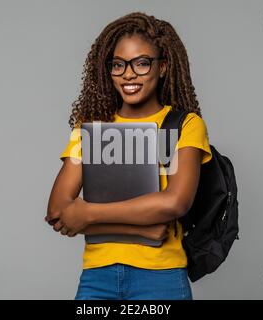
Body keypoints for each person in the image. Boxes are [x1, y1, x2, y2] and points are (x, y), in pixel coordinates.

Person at [45, 12, 212, 300]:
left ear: (162, 67)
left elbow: (175, 202)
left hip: (161, 277)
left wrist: (89, 213)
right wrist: (144, 231)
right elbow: (59, 210)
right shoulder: (92, 126)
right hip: (97, 276)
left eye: (141, 63)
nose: (128, 74)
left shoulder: (185, 125)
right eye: (118, 65)